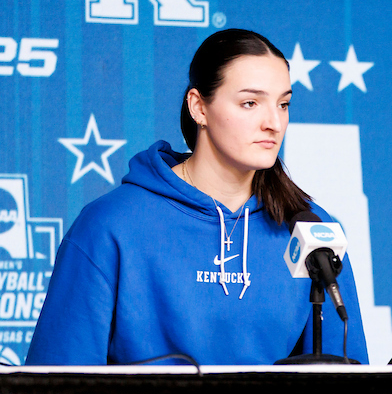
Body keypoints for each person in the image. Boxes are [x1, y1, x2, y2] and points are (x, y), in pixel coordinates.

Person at [27, 29, 369, 365]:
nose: (274, 123)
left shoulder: (313, 230)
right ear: (198, 108)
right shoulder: (110, 226)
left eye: (283, 104)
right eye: (250, 103)